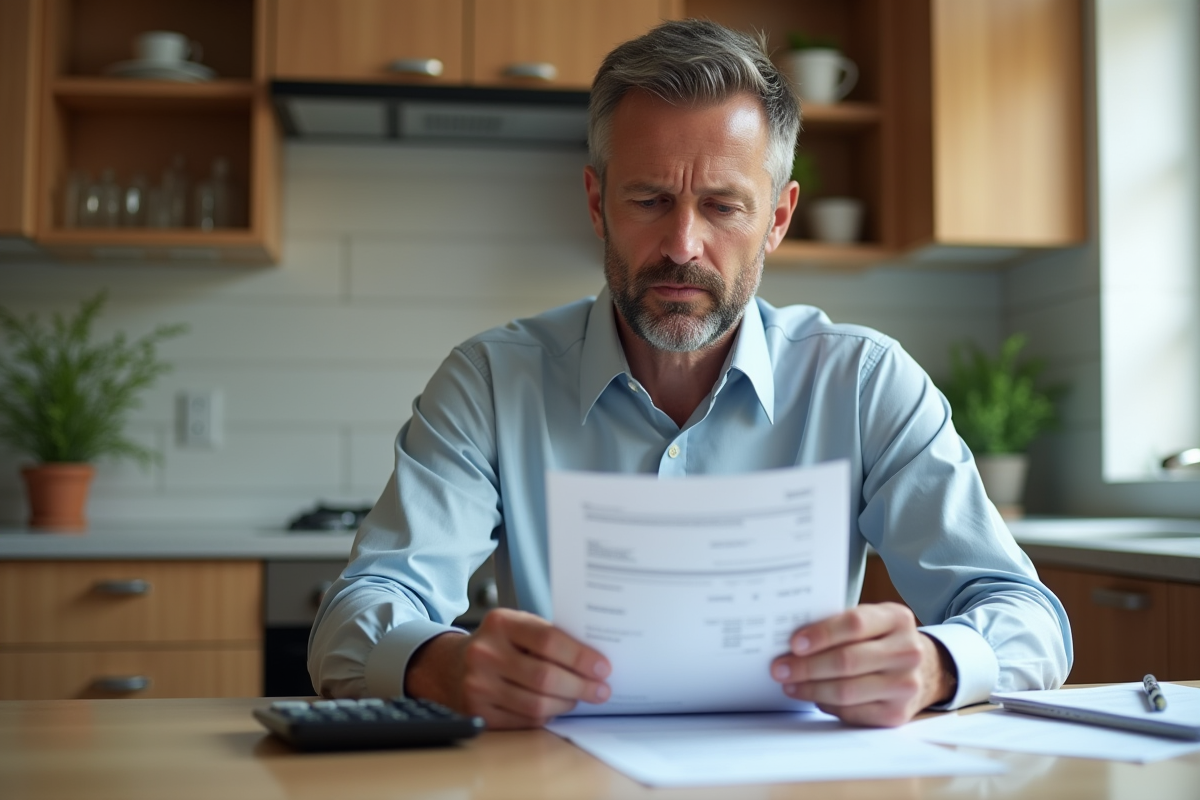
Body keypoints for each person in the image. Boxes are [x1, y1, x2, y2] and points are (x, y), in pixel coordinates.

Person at [309, 19, 1071, 730]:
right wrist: (440, 666)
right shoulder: (489, 381)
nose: (683, 244)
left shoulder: (865, 382)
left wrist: (937, 666)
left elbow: (1025, 613)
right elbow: (354, 617)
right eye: (650, 199)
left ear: (777, 218)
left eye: (722, 206)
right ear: (598, 201)